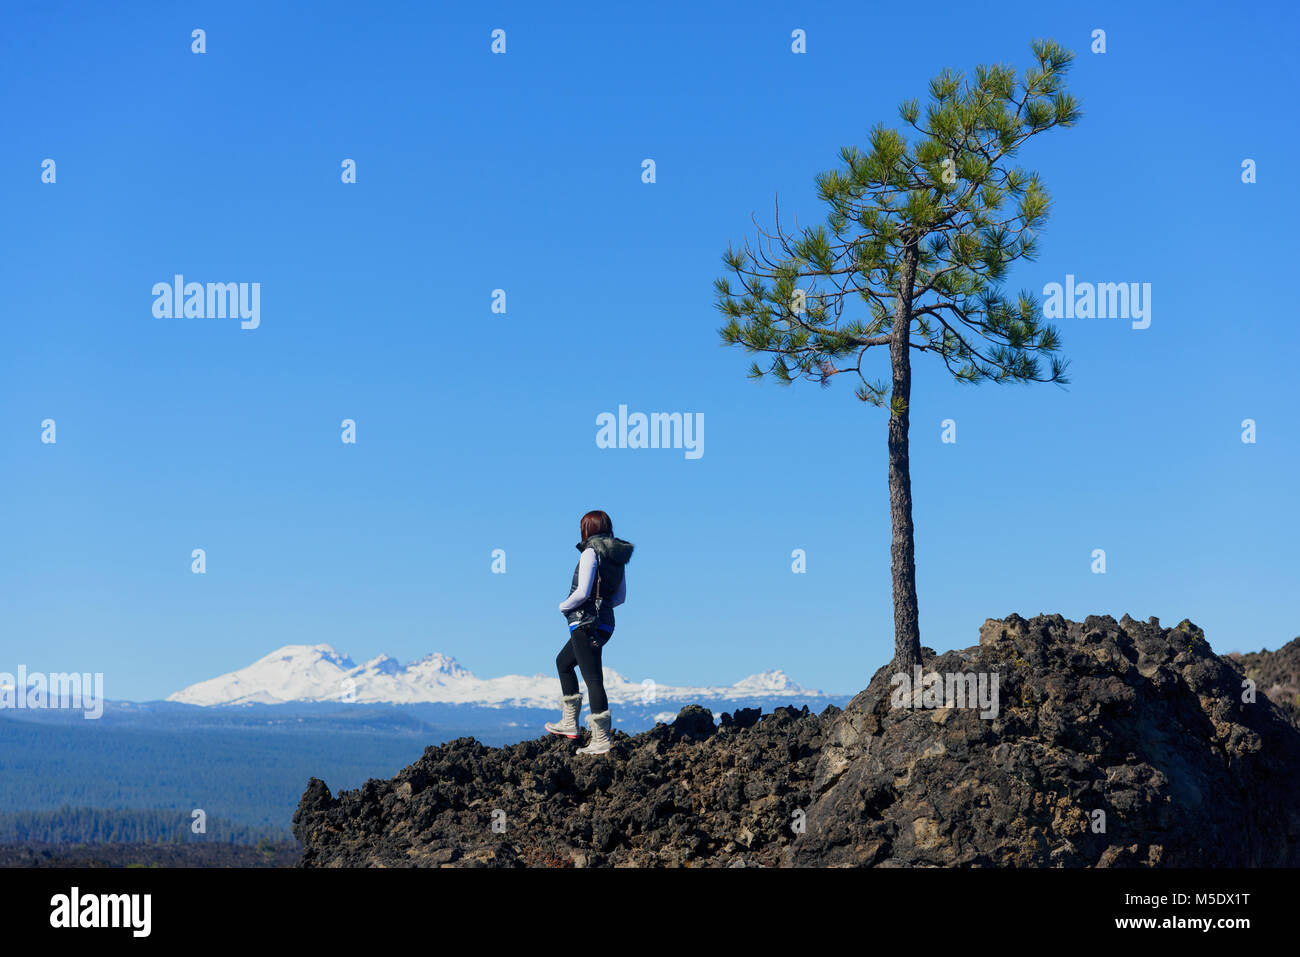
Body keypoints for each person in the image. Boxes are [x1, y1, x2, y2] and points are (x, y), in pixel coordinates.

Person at [545, 510, 634, 755]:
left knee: (593, 679)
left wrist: (562, 606)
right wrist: (602, 606)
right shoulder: (617, 556)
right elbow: (620, 598)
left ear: (587, 530)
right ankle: (569, 723)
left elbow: (583, 592)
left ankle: (601, 739)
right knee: (563, 662)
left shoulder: (590, 553)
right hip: (605, 625)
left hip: (584, 624)